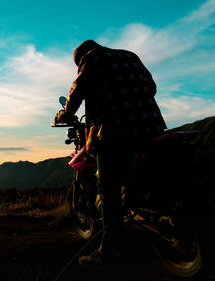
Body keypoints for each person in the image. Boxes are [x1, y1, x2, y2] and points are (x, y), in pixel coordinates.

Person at [55, 40, 167, 266]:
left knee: (108, 190)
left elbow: (77, 91)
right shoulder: (130, 56)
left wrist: (64, 114)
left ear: (80, 58)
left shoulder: (92, 60)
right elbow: (151, 86)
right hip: (152, 127)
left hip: (116, 130)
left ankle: (110, 251)